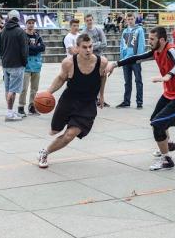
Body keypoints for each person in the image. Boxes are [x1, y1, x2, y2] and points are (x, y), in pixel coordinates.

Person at [107, 26, 175, 170]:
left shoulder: (172, 50)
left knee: (157, 124)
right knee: (155, 118)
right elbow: (137, 58)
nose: (149, 41)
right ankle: (169, 144)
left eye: (152, 39)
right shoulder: (155, 52)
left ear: (161, 40)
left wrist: (168, 75)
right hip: (170, 93)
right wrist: (116, 64)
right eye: (149, 39)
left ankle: (167, 159)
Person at [37, 34, 108, 168]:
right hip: (69, 101)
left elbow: (103, 77)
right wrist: (47, 93)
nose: (88, 50)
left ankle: (45, 152)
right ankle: (54, 132)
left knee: (70, 135)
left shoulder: (102, 62)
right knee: (54, 131)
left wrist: (102, 95)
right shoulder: (68, 63)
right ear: (77, 48)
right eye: (84, 47)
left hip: (87, 104)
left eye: (90, 47)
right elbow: (60, 78)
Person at [0, 10, 29, 121]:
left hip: (6, 64)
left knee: (8, 89)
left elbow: (1, 49)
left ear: (9, 18)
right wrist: (24, 62)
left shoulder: (3, 31)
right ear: (18, 18)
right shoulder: (20, 32)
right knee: (13, 90)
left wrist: (3, 60)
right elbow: (24, 50)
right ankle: (9, 114)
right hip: (17, 64)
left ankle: (10, 111)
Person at [116, 12, 146, 109]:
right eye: (128, 19)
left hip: (135, 60)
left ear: (135, 19)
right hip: (126, 60)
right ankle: (126, 101)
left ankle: (139, 102)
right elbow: (122, 45)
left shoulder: (139, 30)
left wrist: (139, 57)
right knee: (127, 81)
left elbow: (141, 44)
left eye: (131, 19)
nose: (130, 21)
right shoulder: (125, 31)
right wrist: (122, 58)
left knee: (138, 81)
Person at [18, 18, 45, 116]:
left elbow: (43, 47)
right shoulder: (23, 35)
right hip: (26, 65)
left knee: (34, 88)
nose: (31, 25)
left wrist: (33, 48)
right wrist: (35, 48)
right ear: (26, 24)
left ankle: (32, 107)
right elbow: (25, 49)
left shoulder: (38, 36)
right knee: (24, 88)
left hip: (36, 65)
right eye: (29, 23)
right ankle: (21, 107)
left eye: (32, 23)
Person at [82, 14, 110, 107]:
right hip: (90, 59)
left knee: (102, 77)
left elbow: (104, 43)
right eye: (87, 20)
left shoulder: (98, 30)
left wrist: (93, 46)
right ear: (85, 21)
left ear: (93, 20)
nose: (89, 21)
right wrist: (96, 45)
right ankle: (92, 98)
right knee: (91, 79)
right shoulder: (84, 33)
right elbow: (85, 47)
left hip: (100, 57)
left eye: (90, 20)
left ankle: (100, 98)